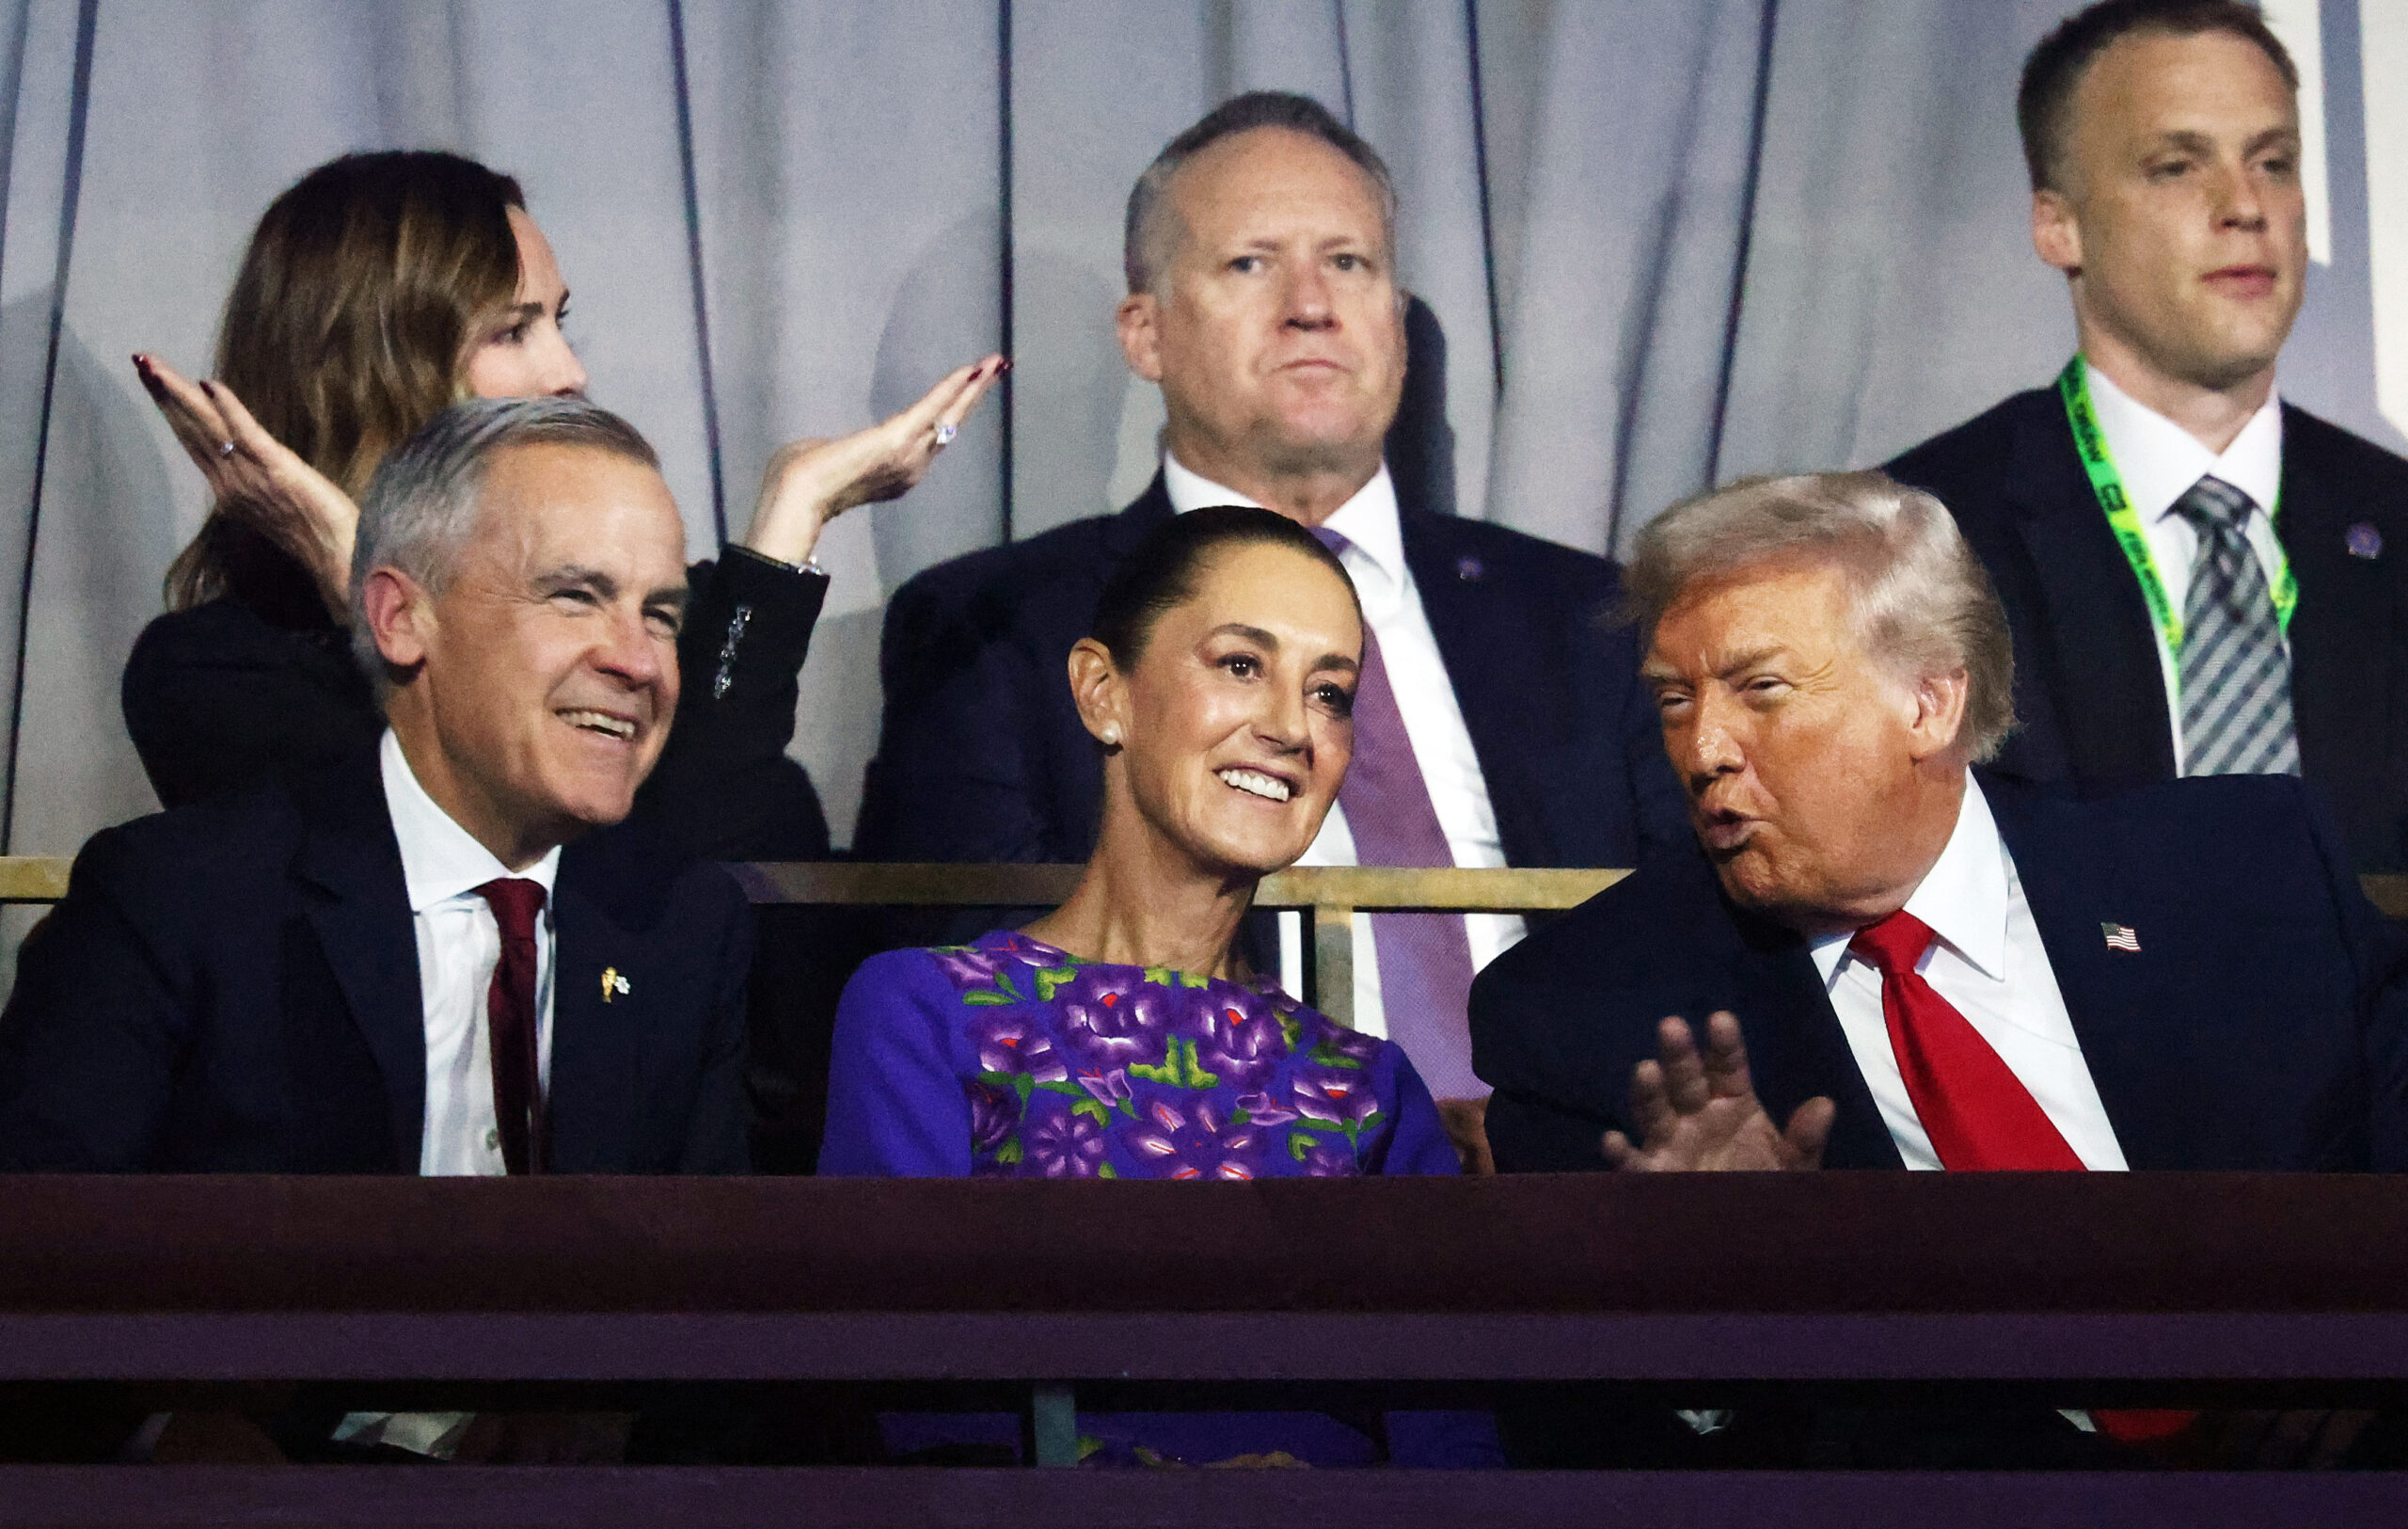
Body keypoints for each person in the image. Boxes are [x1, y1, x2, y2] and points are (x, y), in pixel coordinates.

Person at [1467, 470, 2408, 1467]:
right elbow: (1608, 1435)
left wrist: (2370, 1336)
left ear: (1928, 700)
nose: (1702, 750)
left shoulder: (2244, 869)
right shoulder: (1586, 1013)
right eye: (1673, 698)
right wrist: (1725, 1305)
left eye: (1761, 689)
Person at [859, 92, 1685, 1160]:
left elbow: (1696, 940)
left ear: (1396, 319)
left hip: (1589, 1188)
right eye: (1251, 263)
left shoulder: (1590, 613)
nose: (1311, 306)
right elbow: (983, 998)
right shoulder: (996, 624)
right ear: (1145, 331)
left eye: (1349, 262)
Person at [824, 504, 1484, 1467]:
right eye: (1241, 664)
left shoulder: (1368, 1088)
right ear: (1103, 692)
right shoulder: (927, 1015)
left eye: (1329, 692)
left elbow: (1453, 1453)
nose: (1290, 727)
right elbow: (910, 1395)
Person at [123, 150, 1000, 860]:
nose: (568, 373)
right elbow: (486, 866)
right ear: (365, 371)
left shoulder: (656, 624)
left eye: (558, 321)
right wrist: (363, 575)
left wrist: (792, 510)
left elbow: (706, 855)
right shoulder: (213, 674)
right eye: (512, 331)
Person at [0, 397, 753, 1178]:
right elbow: (44, 1239)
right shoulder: (179, 904)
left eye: (660, 615)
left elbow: (707, 1254)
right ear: (400, 618)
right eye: (576, 596)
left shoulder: (684, 926)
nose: (638, 661)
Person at [1885, 0, 2408, 871]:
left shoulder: (2394, 516)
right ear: (2058, 224)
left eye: (2273, 162)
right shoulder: (1915, 548)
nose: (2245, 206)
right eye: (2176, 167)